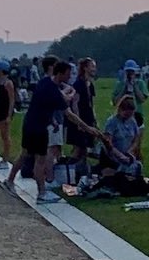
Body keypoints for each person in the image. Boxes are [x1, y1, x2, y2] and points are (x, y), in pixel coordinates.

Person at [18, 58, 102, 204]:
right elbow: (69, 113)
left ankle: (12, 180)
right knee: (40, 160)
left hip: (32, 124)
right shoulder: (53, 91)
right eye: (67, 75)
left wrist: (53, 120)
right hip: (38, 127)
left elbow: (44, 106)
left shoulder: (45, 83)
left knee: (28, 155)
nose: (69, 78)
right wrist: (87, 128)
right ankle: (42, 193)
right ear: (60, 74)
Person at [67, 58, 101, 177]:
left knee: (85, 148)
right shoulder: (78, 84)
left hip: (88, 119)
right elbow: (75, 104)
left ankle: (81, 173)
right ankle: (68, 171)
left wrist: (94, 119)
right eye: (92, 66)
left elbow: (91, 103)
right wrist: (79, 123)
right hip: (80, 120)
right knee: (78, 148)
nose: (94, 69)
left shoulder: (90, 84)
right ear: (85, 68)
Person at [102, 95, 143, 175]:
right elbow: (108, 143)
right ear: (120, 110)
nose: (128, 117)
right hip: (113, 159)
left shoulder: (132, 121)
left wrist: (130, 151)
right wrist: (120, 156)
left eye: (130, 115)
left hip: (128, 156)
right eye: (126, 115)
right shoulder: (112, 122)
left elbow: (136, 139)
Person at [111, 60, 148, 126]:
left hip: (137, 114)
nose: (130, 74)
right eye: (128, 72)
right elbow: (115, 102)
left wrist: (134, 86)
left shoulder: (140, 83)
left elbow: (142, 99)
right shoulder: (119, 84)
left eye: (132, 72)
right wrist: (124, 89)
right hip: (122, 114)